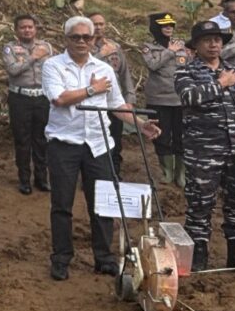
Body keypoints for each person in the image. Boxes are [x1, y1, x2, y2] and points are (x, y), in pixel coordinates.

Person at [42, 16, 160, 281]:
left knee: (103, 204)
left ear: (94, 39)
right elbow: (59, 99)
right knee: (62, 204)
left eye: (87, 37)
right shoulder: (53, 66)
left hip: (98, 144)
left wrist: (141, 125)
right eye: (76, 37)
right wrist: (91, 89)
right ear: (66, 39)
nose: (82, 42)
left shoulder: (105, 68)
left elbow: (117, 105)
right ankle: (61, 258)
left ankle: (104, 258)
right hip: (64, 144)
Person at [176, 20, 235, 271]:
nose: (214, 44)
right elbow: (189, 98)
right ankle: (198, 257)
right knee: (200, 203)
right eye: (207, 40)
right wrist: (220, 84)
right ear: (195, 46)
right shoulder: (186, 72)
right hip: (204, 152)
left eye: (217, 39)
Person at [2, 14, 54, 194]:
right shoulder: (10, 48)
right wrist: (32, 57)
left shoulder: (46, 47)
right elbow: (13, 70)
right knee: (22, 140)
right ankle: (24, 180)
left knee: (42, 140)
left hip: (42, 98)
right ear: (16, 30)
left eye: (30, 27)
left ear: (35, 29)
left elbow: (53, 70)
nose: (27, 30)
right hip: (20, 99)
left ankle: (42, 178)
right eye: (23, 27)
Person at [141, 12, 190, 187]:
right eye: (164, 25)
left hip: (181, 100)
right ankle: (167, 172)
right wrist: (170, 52)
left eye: (171, 25)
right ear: (156, 28)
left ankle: (181, 173)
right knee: (161, 135)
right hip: (159, 100)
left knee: (182, 136)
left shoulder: (182, 46)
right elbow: (153, 65)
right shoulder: (148, 47)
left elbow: (190, 66)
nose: (169, 28)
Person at [88, 12, 136, 171]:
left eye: (101, 24)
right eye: (95, 24)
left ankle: (115, 171)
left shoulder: (115, 47)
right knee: (94, 138)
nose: (99, 27)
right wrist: (101, 55)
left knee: (115, 137)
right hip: (93, 100)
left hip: (114, 101)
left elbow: (124, 75)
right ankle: (93, 173)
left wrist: (129, 99)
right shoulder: (83, 47)